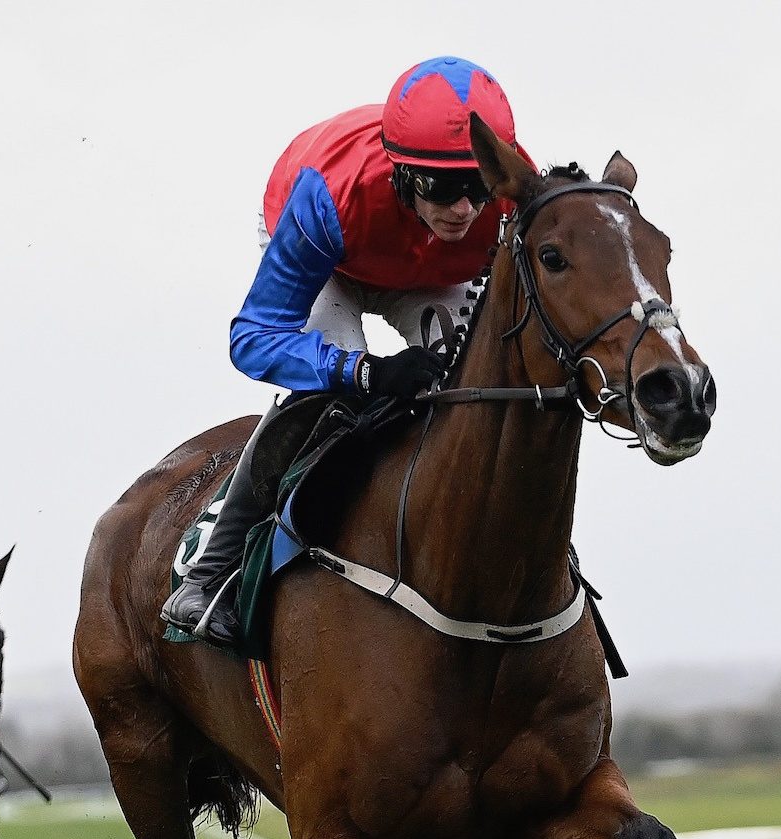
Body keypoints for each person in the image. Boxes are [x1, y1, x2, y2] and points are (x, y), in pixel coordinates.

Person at [162, 56, 527, 648]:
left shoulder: (510, 191)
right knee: (331, 396)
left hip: (427, 265)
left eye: (477, 187)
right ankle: (210, 570)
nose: (463, 209)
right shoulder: (328, 197)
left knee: (474, 383)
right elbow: (252, 339)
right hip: (327, 252)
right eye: (443, 188)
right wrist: (363, 371)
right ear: (403, 172)